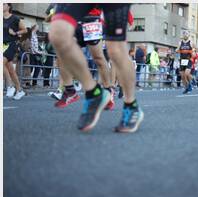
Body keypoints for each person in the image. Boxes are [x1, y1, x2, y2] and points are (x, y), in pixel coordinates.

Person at [49, 3, 144, 132]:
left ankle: (131, 105)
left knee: (115, 50)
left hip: (99, 15)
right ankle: (93, 92)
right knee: (58, 35)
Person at [3, 3, 27, 100]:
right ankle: (19, 90)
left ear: (8, 6)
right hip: (2, 45)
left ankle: (10, 86)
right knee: (11, 70)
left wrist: (16, 32)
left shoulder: (15, 18)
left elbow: (25, 30)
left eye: (3, 4)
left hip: (11, 44)